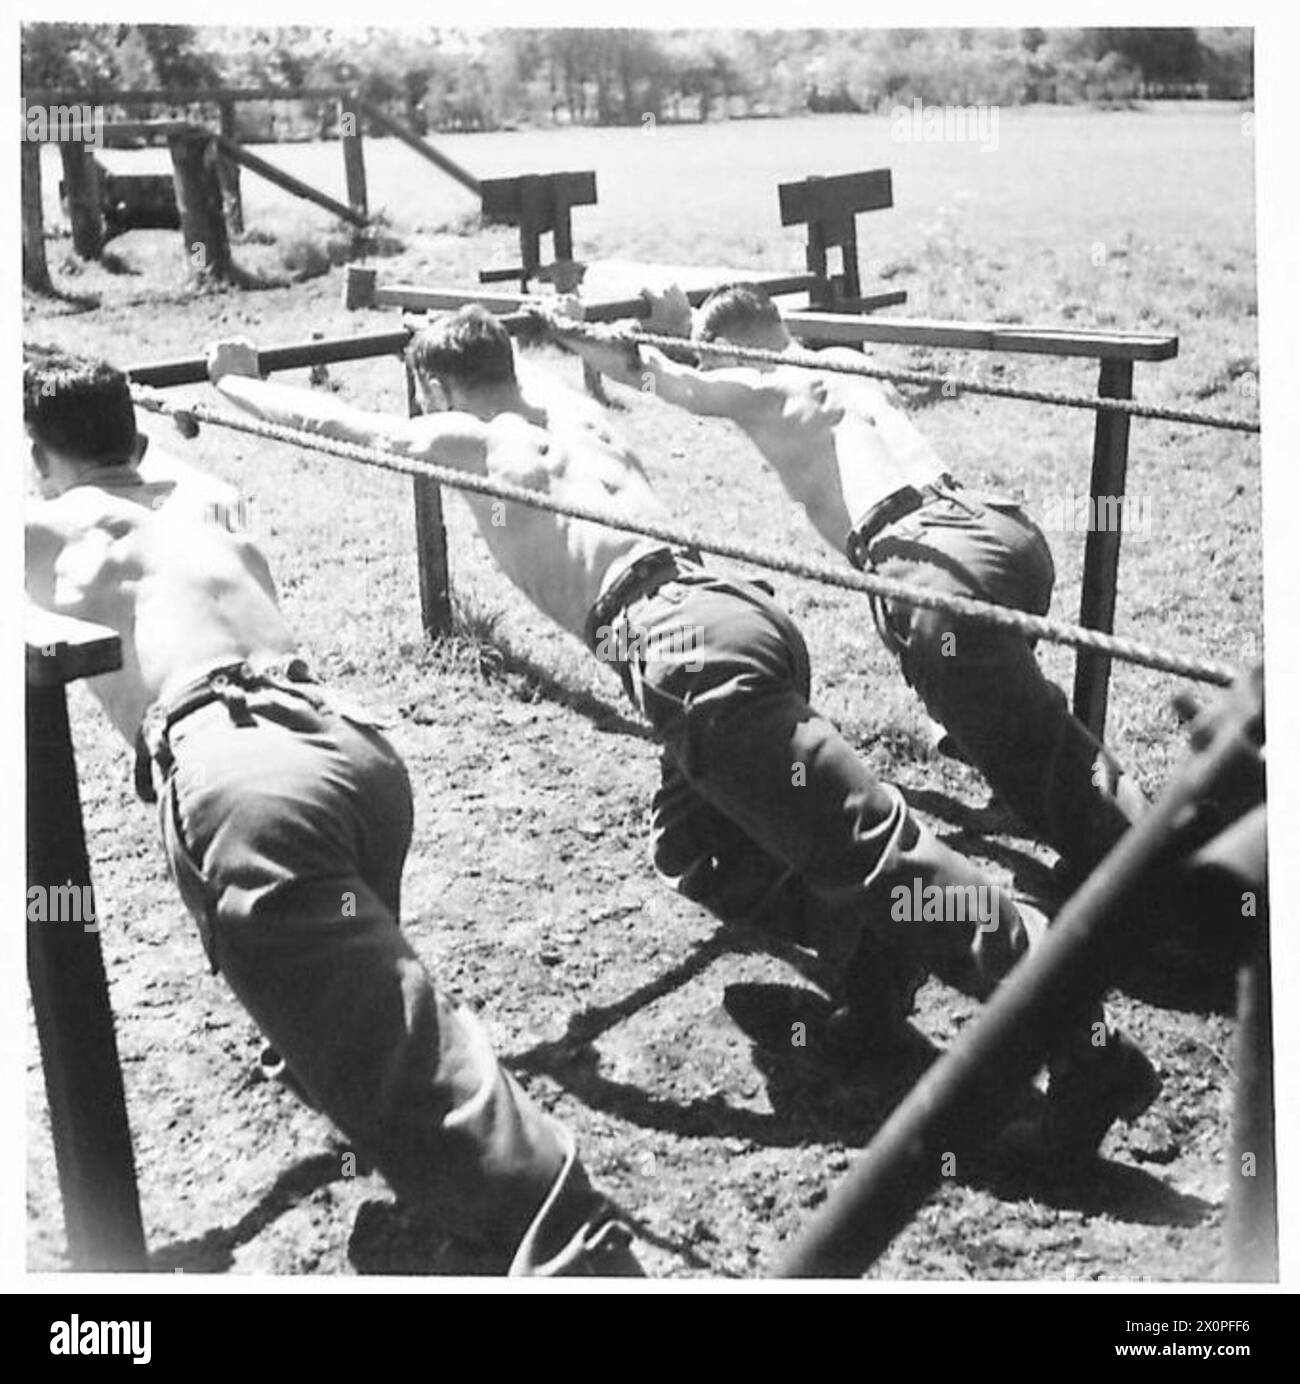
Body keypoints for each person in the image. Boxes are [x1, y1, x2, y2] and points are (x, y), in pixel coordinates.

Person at [206, 311, 1162, 1165]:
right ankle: (877, 962)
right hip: (741, 614)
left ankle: (1081, 1045)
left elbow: (334, 425)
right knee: (699, 841)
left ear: (438, 386)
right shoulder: (571, 417)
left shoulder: (466, 435)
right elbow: (561, 361)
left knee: (877, 851)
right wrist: (560, 329)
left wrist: (233, 379)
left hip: (685, 650)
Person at [23, 346, 640, 1276]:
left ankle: (564, 1234)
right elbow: (163, 459)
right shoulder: (204, 494)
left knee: (407, 1052)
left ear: (42, 455)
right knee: (364, 997)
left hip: (244, 773)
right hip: (351, 749)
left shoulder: (55, 525)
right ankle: (446, 1209)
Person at [557, 283, 1149, 881]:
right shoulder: (848, 362)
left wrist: (570, 327)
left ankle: (1149, 877)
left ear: (734, 354)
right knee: (1006, 708)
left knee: (1039, 750)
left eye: (711, 361)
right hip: (1001, 534)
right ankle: (1048, 799)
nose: (712, 378)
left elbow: (661, 378)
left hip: (930, 565)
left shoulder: (768, 379)